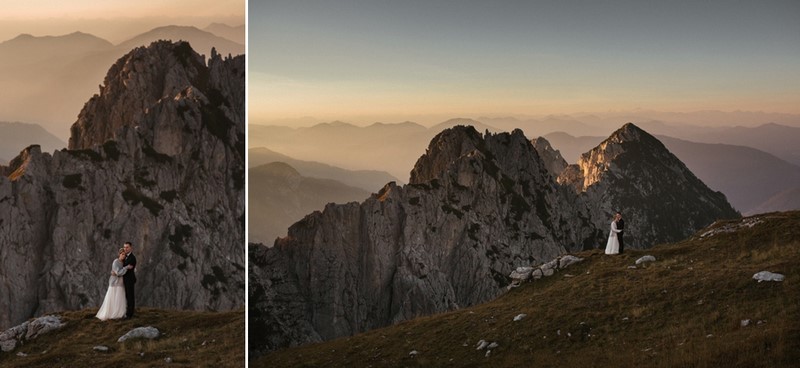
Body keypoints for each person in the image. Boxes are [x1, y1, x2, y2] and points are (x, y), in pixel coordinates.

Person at [96, 248, 128, 320]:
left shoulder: (124, 262)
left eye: (124, 255)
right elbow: (118, 273)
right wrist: (125, 269)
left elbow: (119, 273)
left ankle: (119, 313)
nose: (123, 256)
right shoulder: (116, 262)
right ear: (119, 254)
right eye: (122, 254)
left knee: (120, 298)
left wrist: (122, 270)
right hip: (114, 282)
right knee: (112, 298)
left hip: (121, 283)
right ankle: (112, 313)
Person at [122, 241, 137, 319]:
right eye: (124, 247)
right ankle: (128, 311)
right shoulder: (125, 257)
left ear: (131, 248)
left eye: (127, 247)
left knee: (130, 296)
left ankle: (130, 314)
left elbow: (126, 269)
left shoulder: (132, 258)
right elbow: (125, 267)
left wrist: (121, 269)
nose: (125, 249)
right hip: (125, 280)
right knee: (127, 296)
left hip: (129, 280)